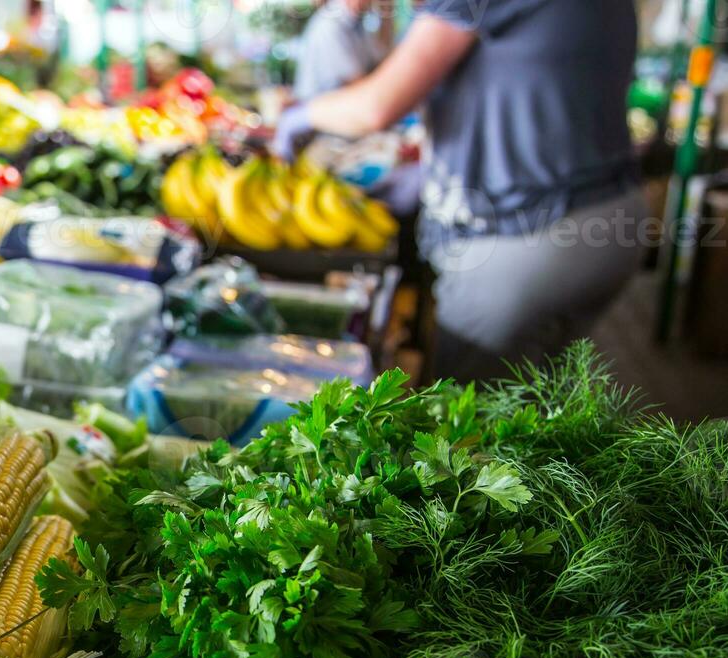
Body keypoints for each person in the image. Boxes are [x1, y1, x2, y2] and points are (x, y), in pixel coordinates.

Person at [275, 0, 646, 381]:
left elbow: (376, 105)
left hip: (525, 239)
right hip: (609, 217)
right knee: (541, 404)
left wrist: (299, 116)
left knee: (472, 423)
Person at [292, 0, 387, 101]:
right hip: (318, 110)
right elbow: (355, 82)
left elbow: (379, 62)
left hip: (340, 108)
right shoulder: (330, 25)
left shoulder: (357, 24)